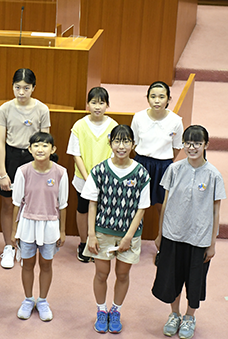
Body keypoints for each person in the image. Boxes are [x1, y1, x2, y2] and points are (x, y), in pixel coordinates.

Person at [152, 125, 225, 339]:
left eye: (197, 143)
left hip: (199, 238)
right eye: (188, 143)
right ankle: (174, 315)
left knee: (195, 281)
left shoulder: (213, 175)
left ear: (206, 145)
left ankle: (189, 317)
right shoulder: (174, 169)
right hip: (173, 233)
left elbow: (215, 211)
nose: (191, 148)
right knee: (171, 278)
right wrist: (159, 234)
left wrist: (212, 243)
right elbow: (164, 203)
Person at [81, 125, 151, 334]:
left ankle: (116, 310)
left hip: (129, 235)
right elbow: (92, 203)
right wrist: (91, 235)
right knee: (101, 274)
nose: (121, 146)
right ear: (110, 144)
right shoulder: (100, 170)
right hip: (103, 232)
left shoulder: (141, 173)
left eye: (126, 141)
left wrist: (129, 237)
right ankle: (101, 311)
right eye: (117, 142)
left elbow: (141, 208)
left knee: (122, 274)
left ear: (133, 145)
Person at [0, 68, 50, 269]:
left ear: (33, 88)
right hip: (10, 157)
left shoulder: (42, 109)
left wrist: (42, 167)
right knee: (8, 205)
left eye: (26, 88)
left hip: (33, 158)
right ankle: (9, 246)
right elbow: (0, 142)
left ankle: (25, 245)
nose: (21, 92)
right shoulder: (5, 108)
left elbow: (45, 142)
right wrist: (3, 172)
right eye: (17, 87)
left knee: (30, 205)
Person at [11, 132, 68, 322]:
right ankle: (28, 300)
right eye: (36, 145)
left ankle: (42, 301)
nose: (40, 149)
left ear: (53, 150)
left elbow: (63, 204)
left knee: (46, 264)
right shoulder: (23, 171)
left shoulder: (61, 172)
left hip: (50, 224)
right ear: (30, 149)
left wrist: (62, 230)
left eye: (45, 145)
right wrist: (14, 231)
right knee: (27, 264)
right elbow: (17, 203)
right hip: (27, 224)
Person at [66, 87, 118, 263]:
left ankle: (99, 245)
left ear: (107, 105)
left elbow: (116, 153)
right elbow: (76, 154)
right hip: (83, 178)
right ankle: (83, 242)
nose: (97, 106)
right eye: (94, 102)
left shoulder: (113, 126)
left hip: (105, 179)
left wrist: (99, 178)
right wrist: (88, 178)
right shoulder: (79, 125)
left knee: (101, 211)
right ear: (87, 105)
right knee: (83, 209)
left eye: (101, 102)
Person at [130, 81, 183, 231]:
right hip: (141, 164)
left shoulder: (176, 121)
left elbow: (177, 147)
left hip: (164, 167)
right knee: (137, 205)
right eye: (153, 97)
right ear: (148, 98)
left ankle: (162, 242)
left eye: (161, 97)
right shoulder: (138, 117)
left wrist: (163, 160)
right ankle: (133, 240)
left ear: (168, 99)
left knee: (163, 206)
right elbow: (134, 143)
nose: (157, 100)